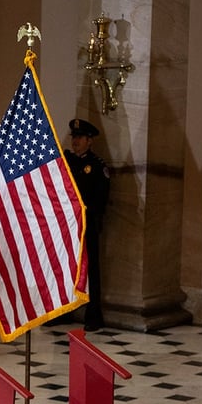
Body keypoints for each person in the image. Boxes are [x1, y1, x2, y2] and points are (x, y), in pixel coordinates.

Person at [65, 118, 111, 331]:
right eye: (74, 137)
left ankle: (93, 315)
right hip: (67, 224)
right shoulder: (68, 163)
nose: (75, 141)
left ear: (89, 141)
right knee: (66, 267)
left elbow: (101, 199)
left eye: (80, 137)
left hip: (86, 223)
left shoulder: (97, 166)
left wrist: (84, 212)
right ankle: (64, 311)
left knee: (90, 269)